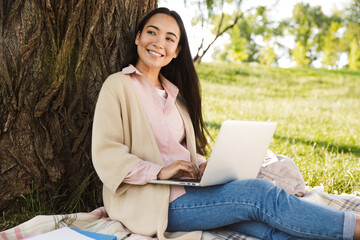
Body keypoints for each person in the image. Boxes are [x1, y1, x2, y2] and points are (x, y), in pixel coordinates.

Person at [92, 7, 360, 240]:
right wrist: (159, 172)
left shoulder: (177, 97)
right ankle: (355, 226)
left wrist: (203, 166)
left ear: (176, 51)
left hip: (192, 192)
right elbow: (106, 153)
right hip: (152, 203)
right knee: (260, 194)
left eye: (169, 38)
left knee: (265, 228)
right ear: (138, 37)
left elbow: (179, 152)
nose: (158, 42)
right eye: (152, 32)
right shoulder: (118, 85)